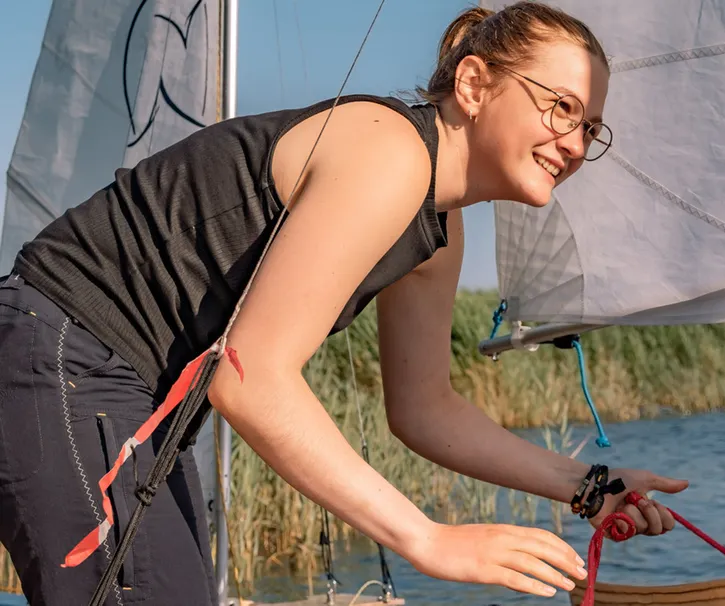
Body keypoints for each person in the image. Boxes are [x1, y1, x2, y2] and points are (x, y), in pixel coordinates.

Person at [0, 2, 689, 604]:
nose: (574, 143)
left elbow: (423, 409)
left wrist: (588, 482)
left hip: (123, 397)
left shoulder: (439, 227)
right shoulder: (390, 154)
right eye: (561, 107)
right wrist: (427, 538)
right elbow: (249, 377)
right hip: (65, 357)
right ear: (475, 84)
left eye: (590, 128)